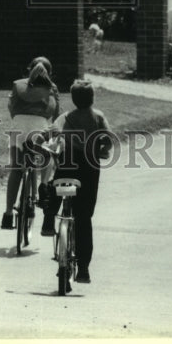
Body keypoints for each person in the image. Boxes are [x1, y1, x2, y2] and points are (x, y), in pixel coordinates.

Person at [40, 79, 112, 284]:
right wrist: (102, 151)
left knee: (57, 183)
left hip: (68, 166)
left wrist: (41, 144)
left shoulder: (65, 117)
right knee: (84, 218)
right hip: (89, 170)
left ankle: (49, 216)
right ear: (92, 98)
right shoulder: (98, 117)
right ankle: (83, 270)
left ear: (73, 98)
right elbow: (107, 140)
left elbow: (49, 135)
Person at [1, 56, 60, 230]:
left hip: (19, 128)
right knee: (47, 157)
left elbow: (11, 107)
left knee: (16, 170)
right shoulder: (52, 88)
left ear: (29, 70)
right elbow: (56, 114)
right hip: (39, 128)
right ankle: (43, 186)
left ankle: (8, 215)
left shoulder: (17, 84)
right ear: (49, 73)